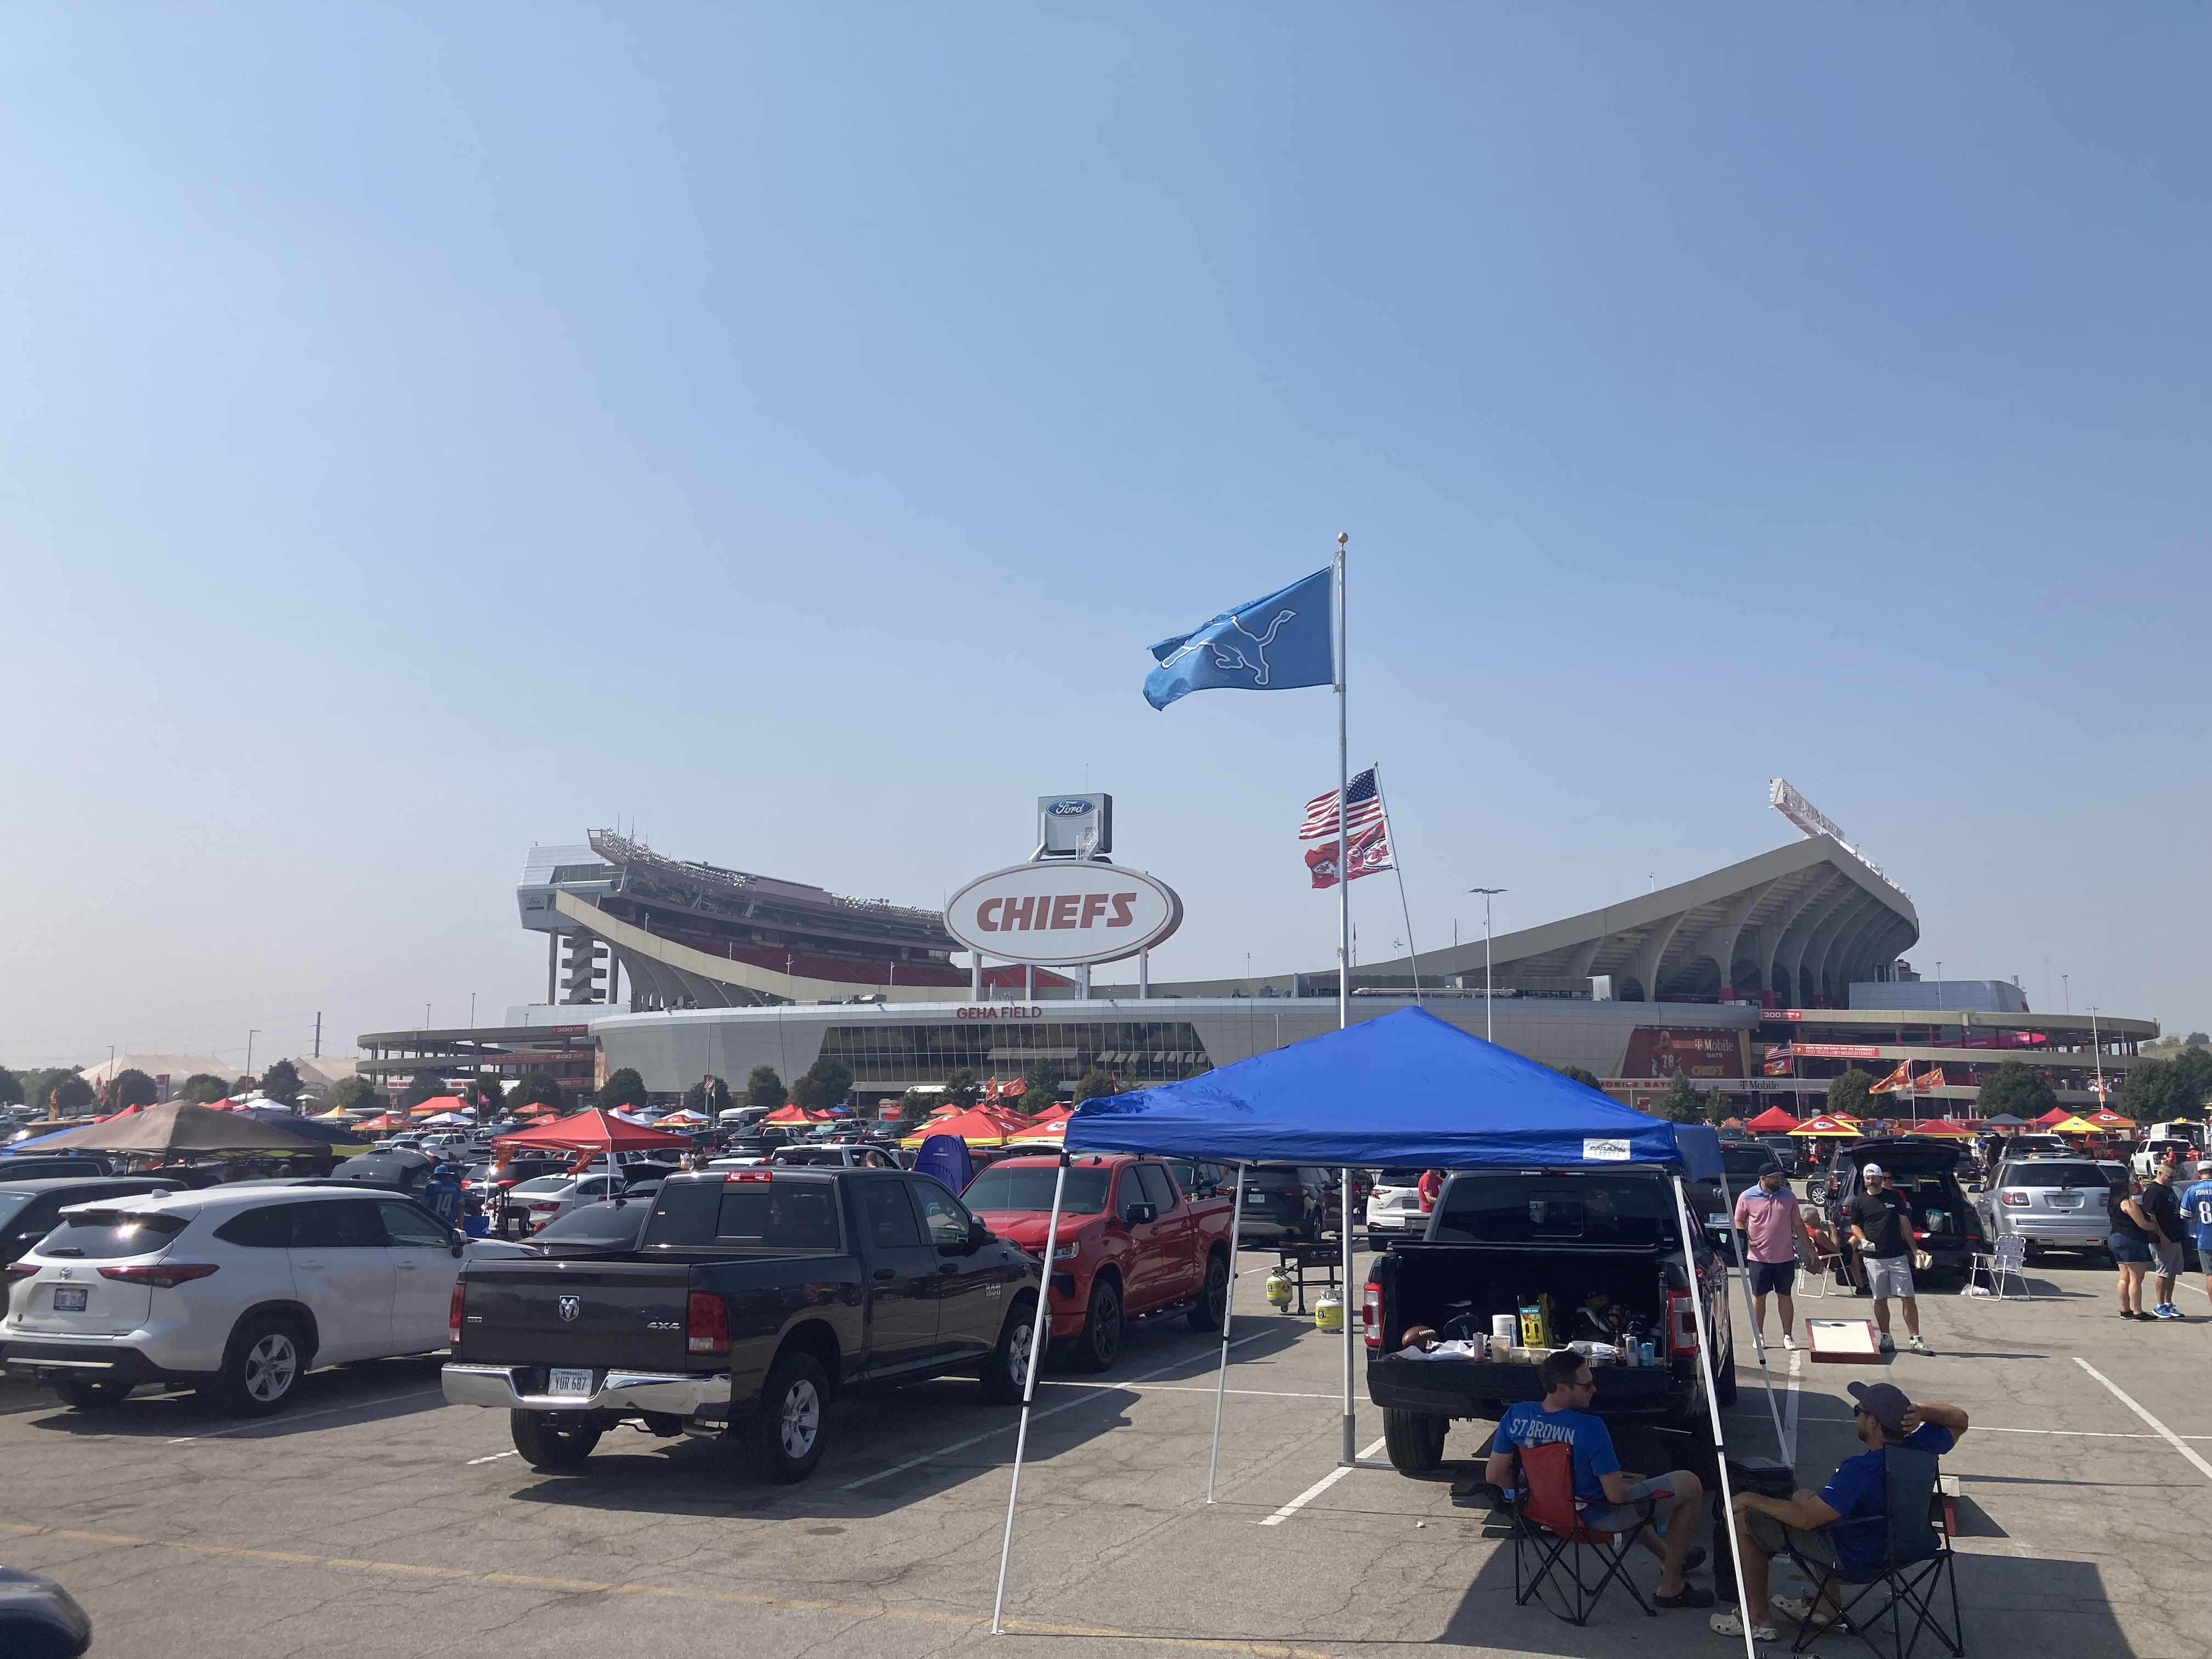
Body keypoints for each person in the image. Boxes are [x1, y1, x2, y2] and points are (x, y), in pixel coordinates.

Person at [1711, 1381, 1968, 1643]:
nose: (1855, 1415)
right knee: (1811, 1499)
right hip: (1909, 1547)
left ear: (1873, 1423)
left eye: (1859, 1411)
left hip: (1857, 1559)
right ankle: (1827, 1607)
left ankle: (1756, 1619)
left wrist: (1750, 1499)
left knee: (1742, 1520)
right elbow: (1960, 1420)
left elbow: (1807, 1520)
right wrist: (1922, 1412)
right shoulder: (1921, 1448)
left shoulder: (1861, 1469)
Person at [1486, 1350, 1713, 1609]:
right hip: (1594, 1520)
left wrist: (1535, 1489)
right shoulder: (1590, 1428)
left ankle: (1668, 1557)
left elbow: (1494, 1475)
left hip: (1544, 1515)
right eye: (1587, 1385)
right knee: (1690, 1483)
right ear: (1562, 1388)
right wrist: (1624, 1486)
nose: (1594, 1389)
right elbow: (1617, 1499)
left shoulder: (1516, 1416)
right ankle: (1671, 1588)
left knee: (1626, 1497)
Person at [1846, 1165, 1928, 1355]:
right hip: (1874, 1259)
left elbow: (1904, 1223)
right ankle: (1886, 1337)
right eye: (1868, 1178)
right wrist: (1863, 1240)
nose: (1871, 1180)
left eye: (1875, 1177)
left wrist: (1915, 1249)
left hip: (1897, 1256)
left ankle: (1915, 1339)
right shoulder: (1859, 1202)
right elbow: (1855, 1226)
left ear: (1881, 1178)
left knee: (1908, 1298)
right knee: (1880, 1299)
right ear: (1864, 1180)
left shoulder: (1893, 1198)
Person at [1735, 1165, 1816, 1351]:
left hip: (1785, 1257)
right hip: (1758, 1258)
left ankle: (1788, 1336)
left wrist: (1810, 1251)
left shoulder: (1788, 1197)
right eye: (1774, 1178)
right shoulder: (1747, 1196)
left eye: (1779, 1177)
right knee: (1759, 1296)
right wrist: (1744, 1237)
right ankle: (1759, 1335)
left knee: (1785, 1296)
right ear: (1763, 1178)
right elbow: (1738, 1220)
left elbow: (1798, 1224)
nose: (1778, 1180)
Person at [2138, 1159, 2188, 1321]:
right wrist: (2162, 1236)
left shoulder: (2169, 1190)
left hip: (2175, 1237)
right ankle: (2159, 1305)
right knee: (2163, 1272)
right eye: (2170, 1177)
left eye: (2174, 1177)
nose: (2172, 1180)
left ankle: (2168, 1303)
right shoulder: (2154, 1191)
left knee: (2172, 1272)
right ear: (2160, 1174)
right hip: (2162, 1239)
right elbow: (2152, 1216)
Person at [2108, 1172, 2156, 1320]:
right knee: (2136, 1277)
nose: (2133, 1186)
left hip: (2115, 1239)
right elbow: (2143, 1225)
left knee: (2124, 1277)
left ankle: (2125, 1310)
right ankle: (2138, 1311)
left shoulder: (2113, 1204)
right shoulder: (2129, 1203)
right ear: (2124, 1188)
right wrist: (2154, 1224)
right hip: (2131, 1240)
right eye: (2130, 1184)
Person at [2182, 1159, 2212, 1306]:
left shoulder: (2192, 1191)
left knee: (2210, 1275)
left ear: (2199, 1174)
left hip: (2205, 1239)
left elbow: (2186, 1216)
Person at [422, 1163, 464, 1228]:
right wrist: (460, 1225)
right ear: (447, 1175)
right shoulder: (456, 1187)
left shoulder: (431, 1187)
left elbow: (424, 1206)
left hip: (433, 1223)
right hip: (450, 1223)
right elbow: (460, 1207)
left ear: (436, 1176)